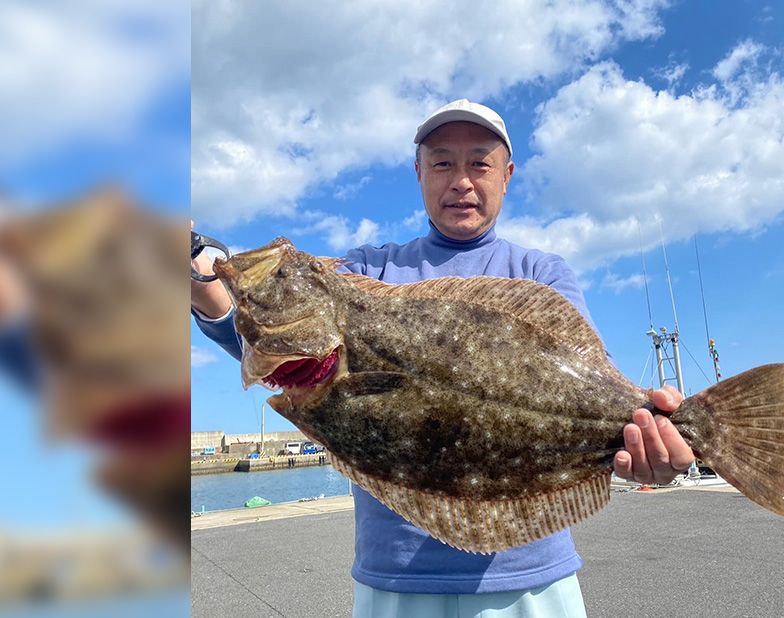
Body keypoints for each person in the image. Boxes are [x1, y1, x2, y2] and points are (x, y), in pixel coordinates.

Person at [192, 99, 695, 616]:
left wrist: (646, 443)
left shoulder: (541, 272)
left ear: (507, 174)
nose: (461, 181)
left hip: (531, 582)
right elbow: (270, 343)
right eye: (441, 163)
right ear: (418, 173)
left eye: (479, 163)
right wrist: (199, 273)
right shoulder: (367, 270)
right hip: (395, 581)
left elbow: (598, 388)